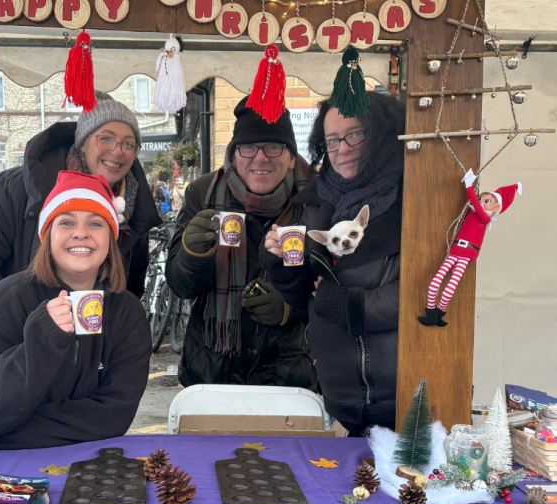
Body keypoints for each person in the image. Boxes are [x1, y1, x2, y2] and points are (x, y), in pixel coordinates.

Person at [0, 92, 161, 435]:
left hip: (75, 366)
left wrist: (101, 340)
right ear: (83, 142)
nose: (118, 151)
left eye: (130, 144)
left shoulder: (135, 205)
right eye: (107, 139)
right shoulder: (11, 189)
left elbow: (129, 283)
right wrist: (13, 321)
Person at [0, 171, 152, 449]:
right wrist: (41, 340)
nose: (81, 233)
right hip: (9, 472)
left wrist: (6, 434)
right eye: (67, 222)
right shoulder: (7, 299)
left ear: (111, 239)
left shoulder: (127, 313)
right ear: (48, 235)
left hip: (90, 470)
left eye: (96, 223)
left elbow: (113, 418)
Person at [260, 91, 405, 436]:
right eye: (332, 140)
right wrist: (282, 266)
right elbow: (302, 301)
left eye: (355, 134)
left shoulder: (415, 197)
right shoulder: (312, 200)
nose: (343, 148)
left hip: (406, 398)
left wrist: (348, 305)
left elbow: (427, 293)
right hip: (341, 399)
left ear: (382, 134)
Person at [164, 96, 316, 389]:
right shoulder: (203, 193)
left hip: (288, 372)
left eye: (274, 146)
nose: (260, 158)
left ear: (292, 157)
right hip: (211, 369)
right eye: (248, 147)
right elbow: (181, 287)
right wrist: (191, 255)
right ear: (233, 155)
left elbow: (333, 286)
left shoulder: (314, 200)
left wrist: (290, 309)